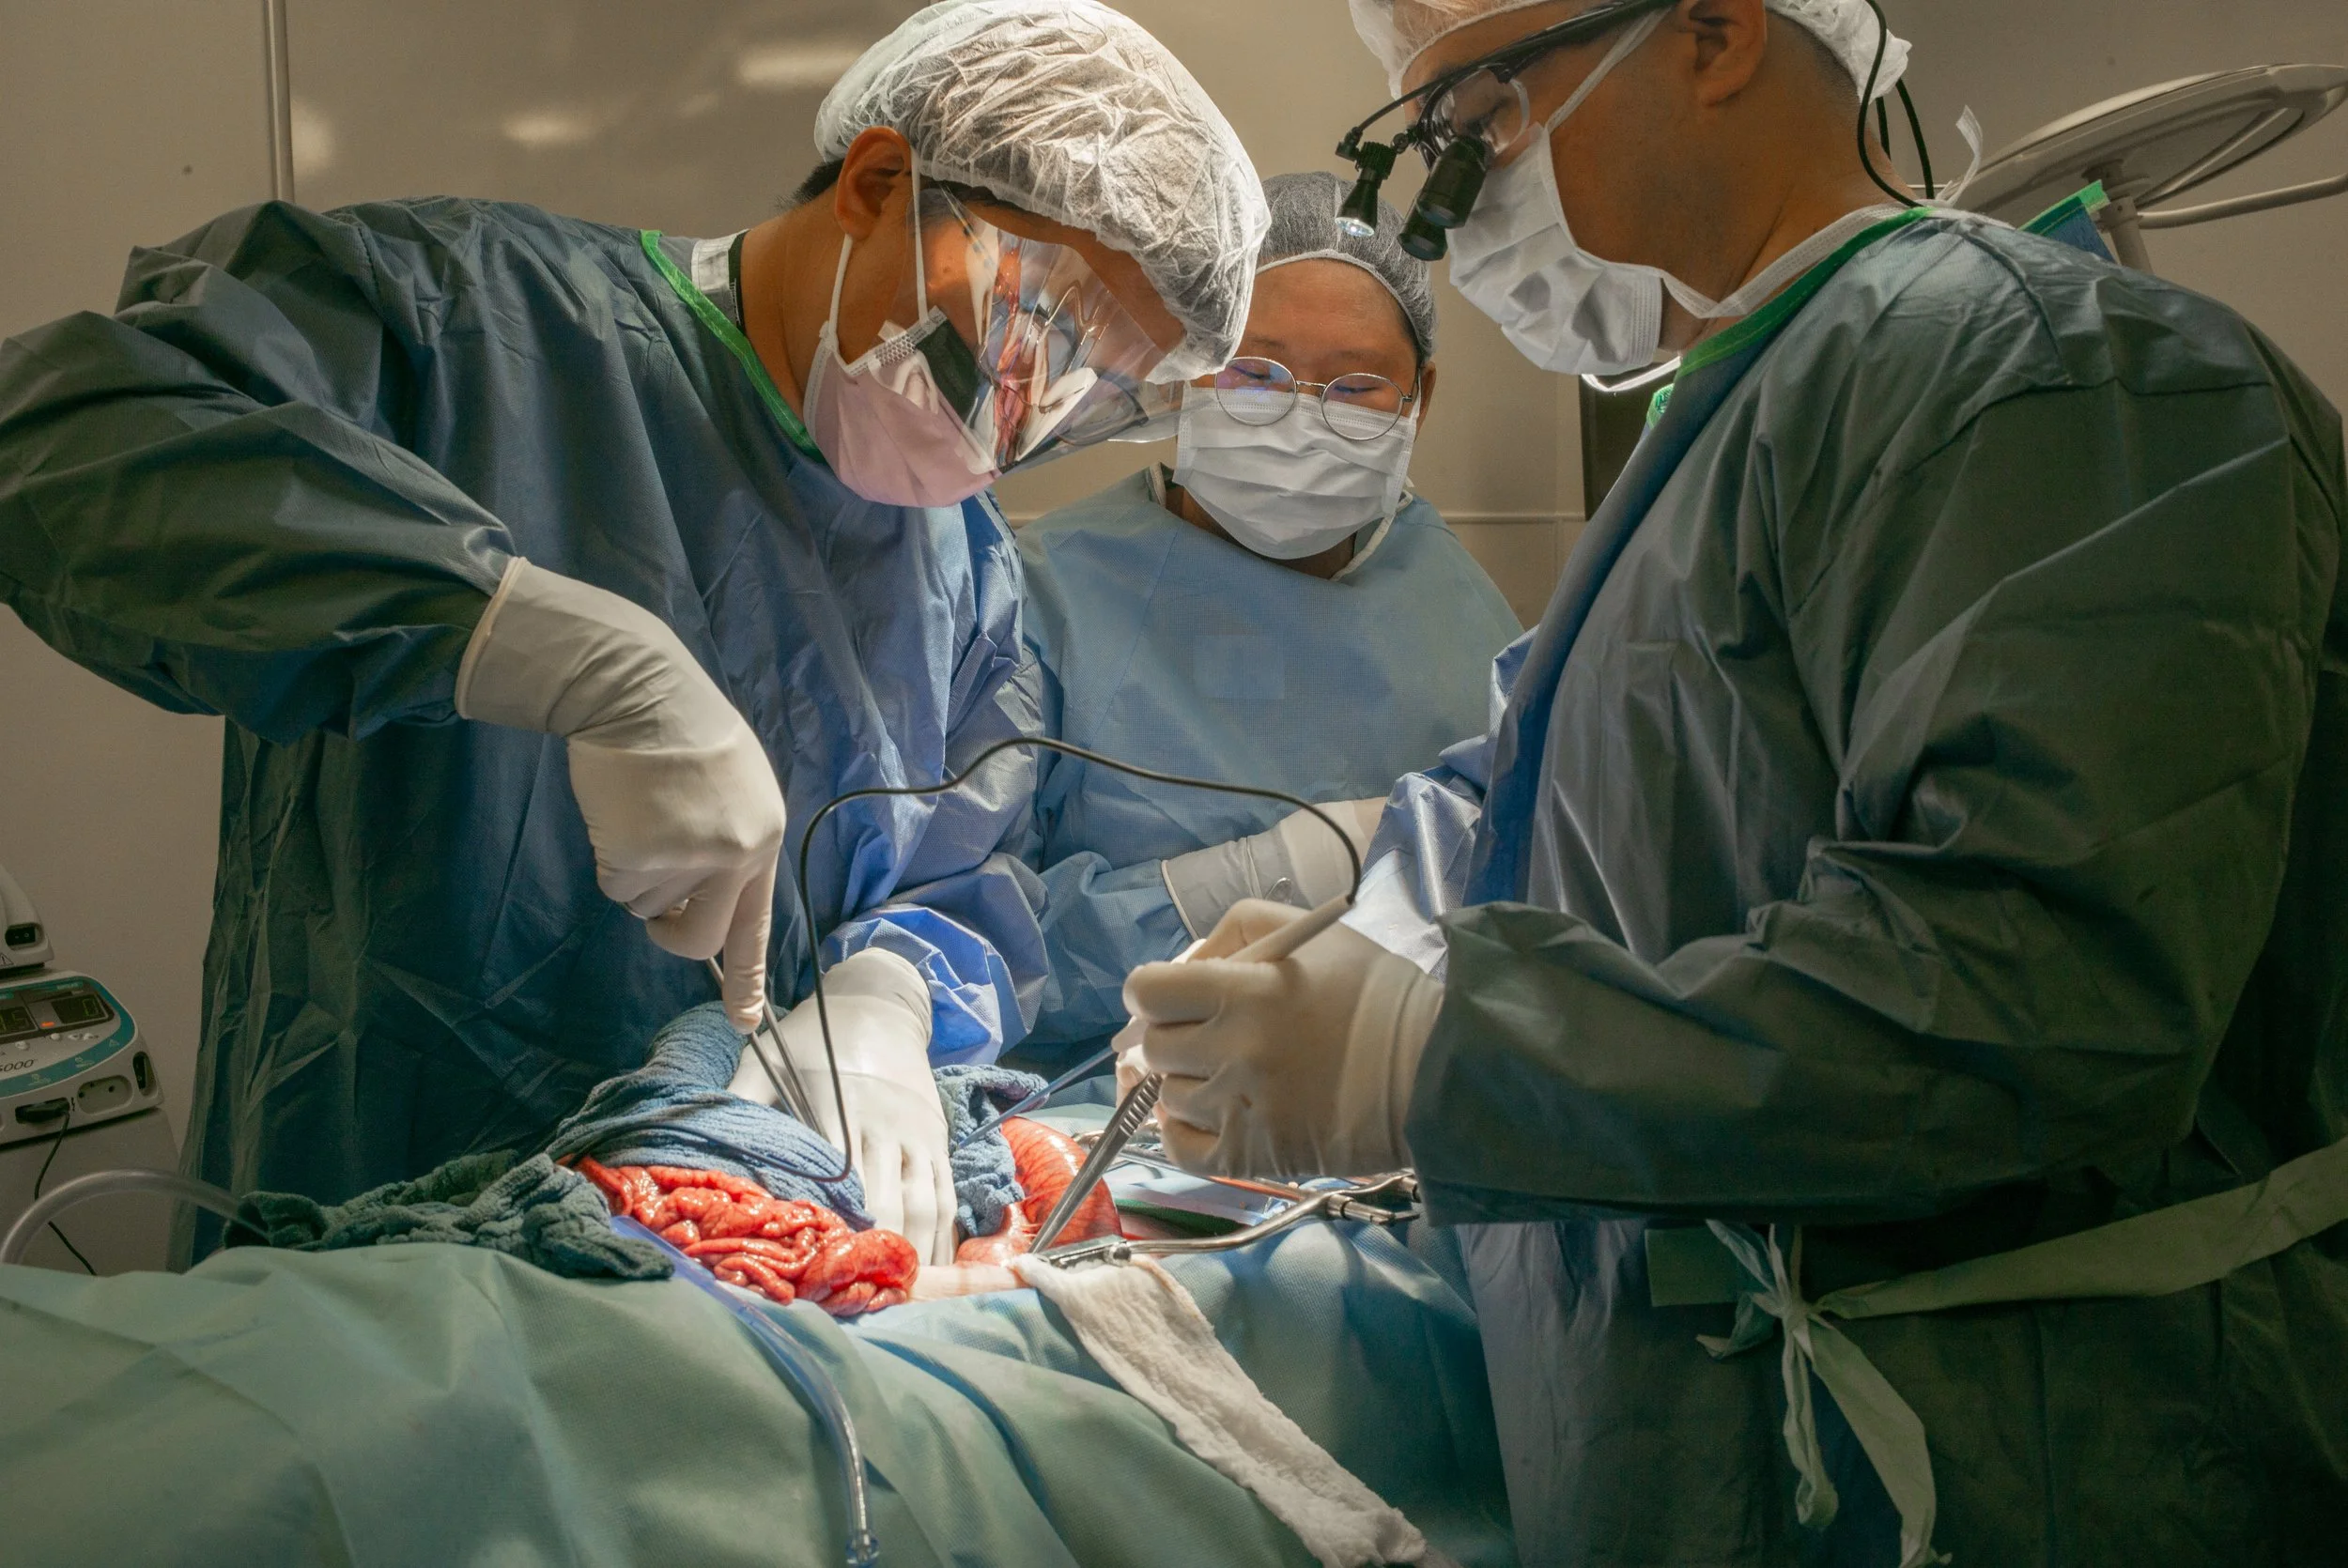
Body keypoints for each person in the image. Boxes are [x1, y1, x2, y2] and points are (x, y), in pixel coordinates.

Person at [1122, 0, 2348, 1562]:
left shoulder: (2054, 375)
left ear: (1708, 33)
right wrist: (1363, 940)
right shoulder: (1732, 423)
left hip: (2026, 1469)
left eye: (1479, 125)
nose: (1454, 205)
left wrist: (1436, 1053)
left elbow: (2043, 990)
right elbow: (1583, 790)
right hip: (1720, 1459)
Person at [0, 0, 1266, 1268]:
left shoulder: (967, 564)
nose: (1028, 413)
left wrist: (887, 995)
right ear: (882, 183)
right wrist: (522, 632)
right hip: (371, 1249)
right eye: (1035, 320)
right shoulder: (462, 325)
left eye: (1105, 390)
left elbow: (962, 871)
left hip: (737, 1278)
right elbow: (74, 449)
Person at [1009, 170, 1521, 1083]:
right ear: (1185, 367)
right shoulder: (1043, 597)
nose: (1296, 417)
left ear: (1420, 400)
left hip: (1392, 1122)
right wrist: (1269, 873)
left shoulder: (1462, 614)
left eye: (1355, 385)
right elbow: (970, 941)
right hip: (1093, 1120)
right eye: (1254, 371)